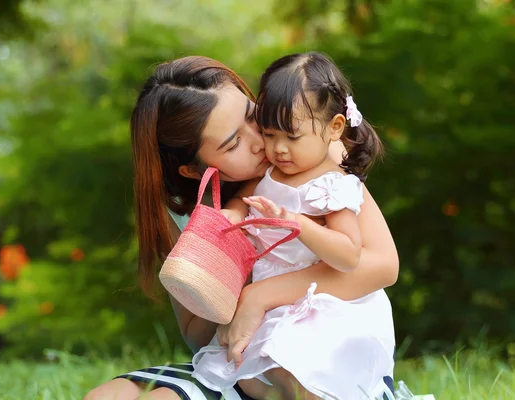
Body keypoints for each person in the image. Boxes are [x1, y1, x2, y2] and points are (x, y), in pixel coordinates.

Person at [84, 55, 399, 400]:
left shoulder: (317, 161)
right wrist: (226, 271)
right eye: (233, 144)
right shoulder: (188, 217)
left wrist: (260, 295)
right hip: (244, 356)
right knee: (107, 397)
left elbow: (382, 267)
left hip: (327, 357)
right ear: (192, 171)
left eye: (254, 117)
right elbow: (196, 334)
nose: (263, 141)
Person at [191, 52, 395, 400]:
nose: (278, 149)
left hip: (327, 306)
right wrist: (235, 215)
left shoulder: (334, 185)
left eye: (291, 137)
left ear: (334, 128)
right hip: (280, 306)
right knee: (254, 371)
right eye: (269, 134)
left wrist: (301, 224)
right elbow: (244, 200)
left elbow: (348, 255)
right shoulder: (272, 173)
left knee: (301, 369)